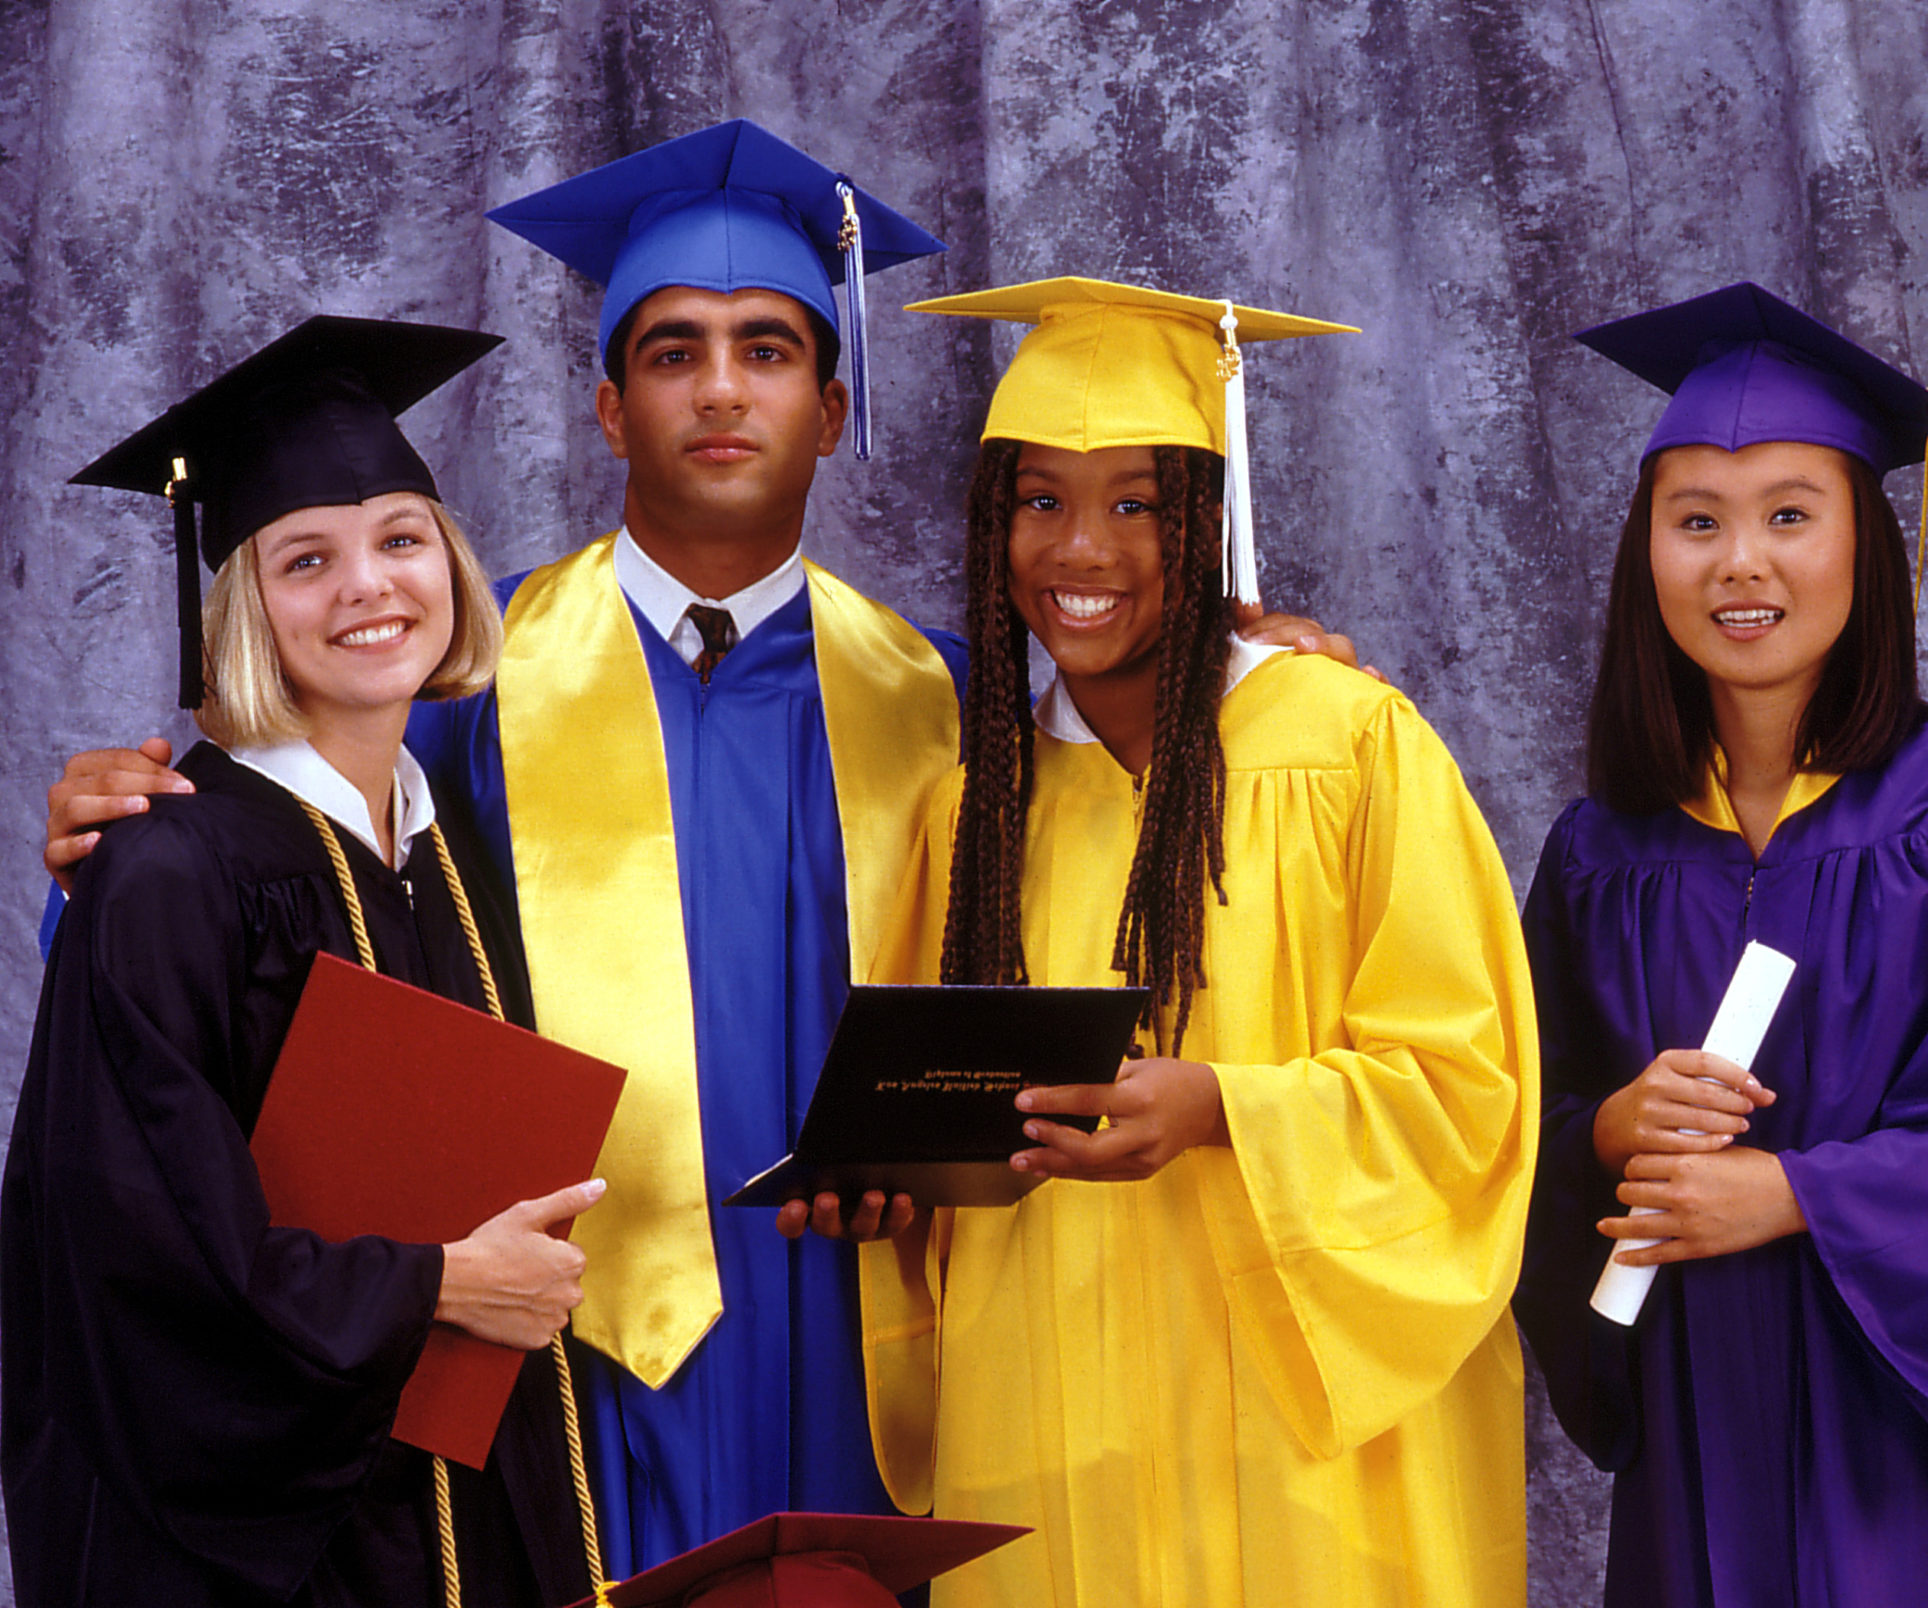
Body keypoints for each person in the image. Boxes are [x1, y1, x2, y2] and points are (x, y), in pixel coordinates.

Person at [37, 122, 1359, 1579]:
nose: (721, 387)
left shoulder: (953, 697)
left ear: (834, 408)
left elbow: (1100, 887)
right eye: (672, 353)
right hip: (574, 1344)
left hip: (863, 1332)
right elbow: (271, 948)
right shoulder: (467, 695)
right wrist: (115, 841)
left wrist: (1232, 666)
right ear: (608, 410)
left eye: (767, 349)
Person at [831, 277, 1539, 1607]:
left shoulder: (1348, 747)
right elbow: (931, 1113)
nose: (1080, 550)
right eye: (1039, 499)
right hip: (1051, 1420)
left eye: (1136, 503)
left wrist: (1224, 1109)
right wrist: (878, 1179)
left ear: (1206, 522)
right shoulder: (973, 810)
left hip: (1299, 1446)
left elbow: (1471, 1092)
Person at [1509, 283, 1928, 1606]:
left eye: (1791, 514)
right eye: (1698, 523)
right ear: (1646, 557)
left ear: (1866, 542)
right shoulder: (1598, 859)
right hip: (1699, 1440)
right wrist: (1610, 1129)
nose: (1743, 564)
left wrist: (1797, 1197)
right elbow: (1510, 1139)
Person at [3, 317, 605, 1607]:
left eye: (401, 538)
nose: (369, 588)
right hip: (267, 1554)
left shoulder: (440, 851)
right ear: (236, 606)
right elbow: (141, 1261)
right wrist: (441, 1283)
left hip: (450, 1510)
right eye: (305, 560)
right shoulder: (170, 864)